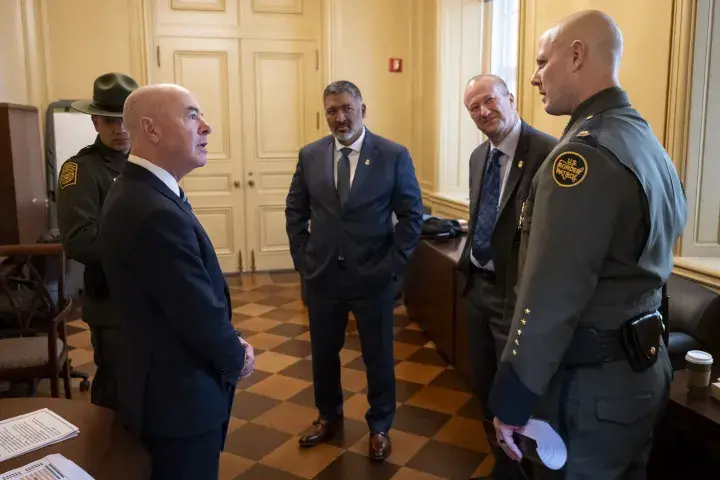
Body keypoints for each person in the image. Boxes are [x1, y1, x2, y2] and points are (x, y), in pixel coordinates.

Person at [487, 10, 687, 479]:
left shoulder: (581, 155)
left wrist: (513, 398)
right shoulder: (643, 140)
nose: (535, 78)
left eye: (542, 62)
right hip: (642, 372)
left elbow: (550, 296)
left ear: (576, 55)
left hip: (592, 391)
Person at [98, 84, 254, 479]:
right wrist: (236, 356)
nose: (206, 127)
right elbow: (195, 311)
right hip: (177, 399)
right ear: (151, 130)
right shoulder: (151, 209)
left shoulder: (144, 191)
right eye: (191, 115)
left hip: (164, 383)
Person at [285, 80, 423, 461]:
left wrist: (393, 266)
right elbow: (295, 210)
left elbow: (412, 216)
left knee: (378, 356)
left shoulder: (393, 155)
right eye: (332, 110)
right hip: (322, 277)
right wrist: (303, 259)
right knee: (323, 353)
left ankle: (380, 425)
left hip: (373, 277)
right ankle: (327, 416)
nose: (340, 117)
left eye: (347, 108)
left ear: (363, 108)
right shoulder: (310, 155)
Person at [456, 74, 556, 480]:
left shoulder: (550, 152)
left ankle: (523, 470)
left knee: (518, 398)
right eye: (473, 108)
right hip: (476, 289)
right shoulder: (479, 157)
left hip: (516, 299)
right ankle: (503, 467)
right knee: (484, 389)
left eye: (489, 101)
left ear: (510, 98)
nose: (483, 112)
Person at [57, 72, 138, 410]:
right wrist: (145, 252)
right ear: (95, 122)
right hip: (113, 304)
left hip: (151, 299)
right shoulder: (80, 170)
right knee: (116, 394)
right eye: (109, 121)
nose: (119, 130)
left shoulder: (146, 162)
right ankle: (109, 462)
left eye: (126, 121)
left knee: (147, 390)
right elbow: (80, 241)